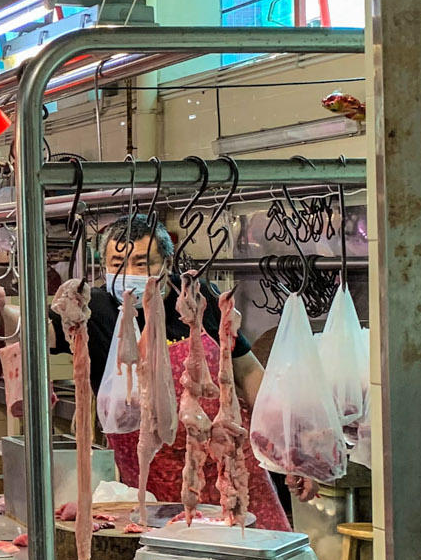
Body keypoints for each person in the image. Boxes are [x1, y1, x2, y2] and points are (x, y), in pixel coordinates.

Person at [54, 214, 310, 530]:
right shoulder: (93, 308)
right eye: (118, 263)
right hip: (157, 481)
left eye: (141, 263)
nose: (128, 274)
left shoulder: (198, 296)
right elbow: (38, 333)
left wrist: (291, 449)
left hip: (235, 465)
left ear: (167, 262)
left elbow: (248, 374)